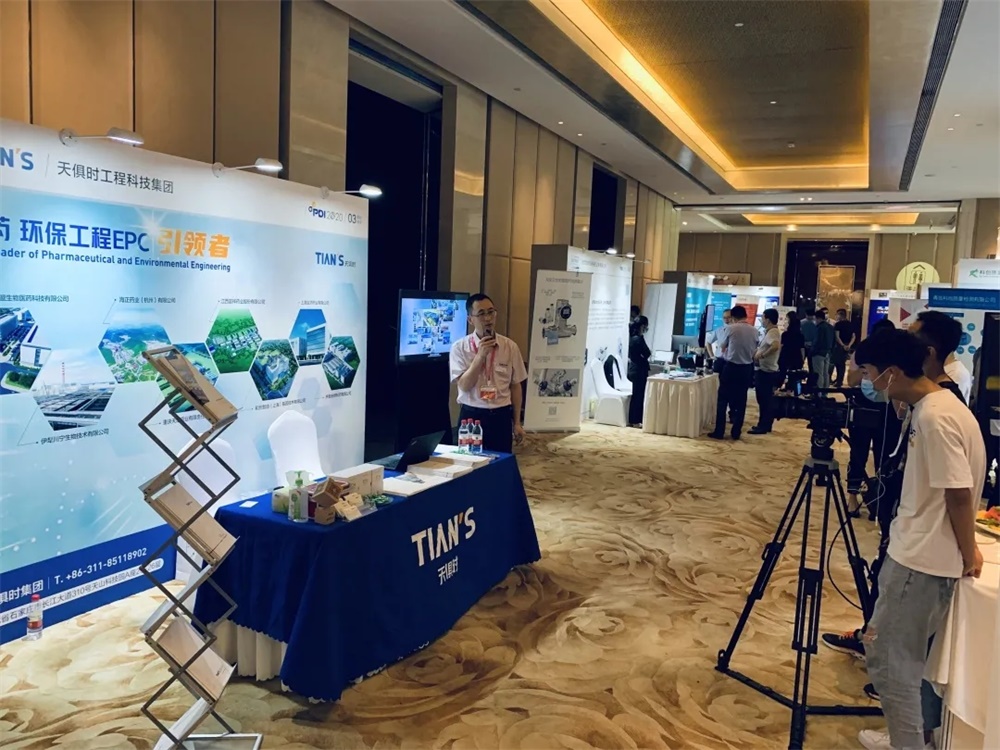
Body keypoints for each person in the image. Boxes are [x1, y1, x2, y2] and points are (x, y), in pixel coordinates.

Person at [850, 329, 985, 750]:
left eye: (869, 372)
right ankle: (909, 738)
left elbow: (958, 493)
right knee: (906, 660)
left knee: (891, 665)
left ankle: (906, 743)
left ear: (891, 372)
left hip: (920, 561)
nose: (867, 381)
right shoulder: (936, 406)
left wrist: (969, 552)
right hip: (919, 551)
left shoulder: (934, 417)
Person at [449, 293, 527, 454]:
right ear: (470, 320)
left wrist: (517, 423)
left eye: (491, 312)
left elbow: (516, 386)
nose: (488, 318)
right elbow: (464, 386)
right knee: (469, 462)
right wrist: (480, 356)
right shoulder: (459, 348)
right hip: (471, 416)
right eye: (481, 314)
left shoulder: (510, 347)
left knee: (500, 461)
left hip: (501, 416)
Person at [708, 305, 757, 441]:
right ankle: (736, 432)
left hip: (731, 367)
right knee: (741, 400)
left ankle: (719, 431)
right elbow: (755, 349)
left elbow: (722, 347)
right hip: (746, 368)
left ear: (733, 317)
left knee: (723, 399)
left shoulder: (730, 329)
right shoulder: (754, 331)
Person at [910, 311, 968, 405]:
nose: (904, 343)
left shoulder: (943, 398)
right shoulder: (928, 386)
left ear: (929, 352)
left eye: (911, 339)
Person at [749, 309, 781, 435]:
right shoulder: (770, 332)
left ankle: (763, 425)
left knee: (764, 400)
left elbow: (775, 346)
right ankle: (765, 424)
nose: (761, 320)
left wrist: (762, 355)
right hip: (765, 370)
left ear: (767, 319)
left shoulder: (773, 332)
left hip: (766, 372)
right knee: (764, 400)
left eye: (762, 318)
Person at [627, 316, 651, 426]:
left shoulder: (633, 338)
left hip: (635, 369)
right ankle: (635, 420)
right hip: (639, 371)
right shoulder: (638, 339)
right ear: (642, 326)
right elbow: (647, 353)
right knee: (638, 396)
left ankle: (635, 420)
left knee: (637, 395)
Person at [778, 311, 805, 390]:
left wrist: (777, 357)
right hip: (796, 357)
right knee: (794, 375)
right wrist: (802, 359)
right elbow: (802, 348)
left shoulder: (785, 334)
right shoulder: (800, 335)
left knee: (782, 373)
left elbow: (781, 347)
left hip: (785, 356)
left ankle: (777, 388)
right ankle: (791, 389)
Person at [811, 310, 836, 388]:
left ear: (818, 318)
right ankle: (825, 391)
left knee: (819, 373)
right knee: (826, 373)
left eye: (815, 319)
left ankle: (819, 391)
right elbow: (834, 340)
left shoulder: (820, 327)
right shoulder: (831, 327)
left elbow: (817, 341)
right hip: (828, 352)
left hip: (818, 353)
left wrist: (812, 351)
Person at [833, 309, 856, 387]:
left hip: (839, 346)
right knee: (842, 363)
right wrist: (849, 345)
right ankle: (839, 379)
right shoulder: (851, 324)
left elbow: (837, 336)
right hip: (847, 345)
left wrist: (842, 345)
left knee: (838, 363)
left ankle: (839, 381)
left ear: (840, 315)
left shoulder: (838, 324)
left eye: (837, 315)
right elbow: (853, 336)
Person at [706, 308, 733, 373]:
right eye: (724, 318)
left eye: (728, 317)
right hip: (719, 360)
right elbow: (708, 342)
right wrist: (712, 356)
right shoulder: (719, 330)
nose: (726, 320)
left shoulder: (737, 331)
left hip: (731, 362)